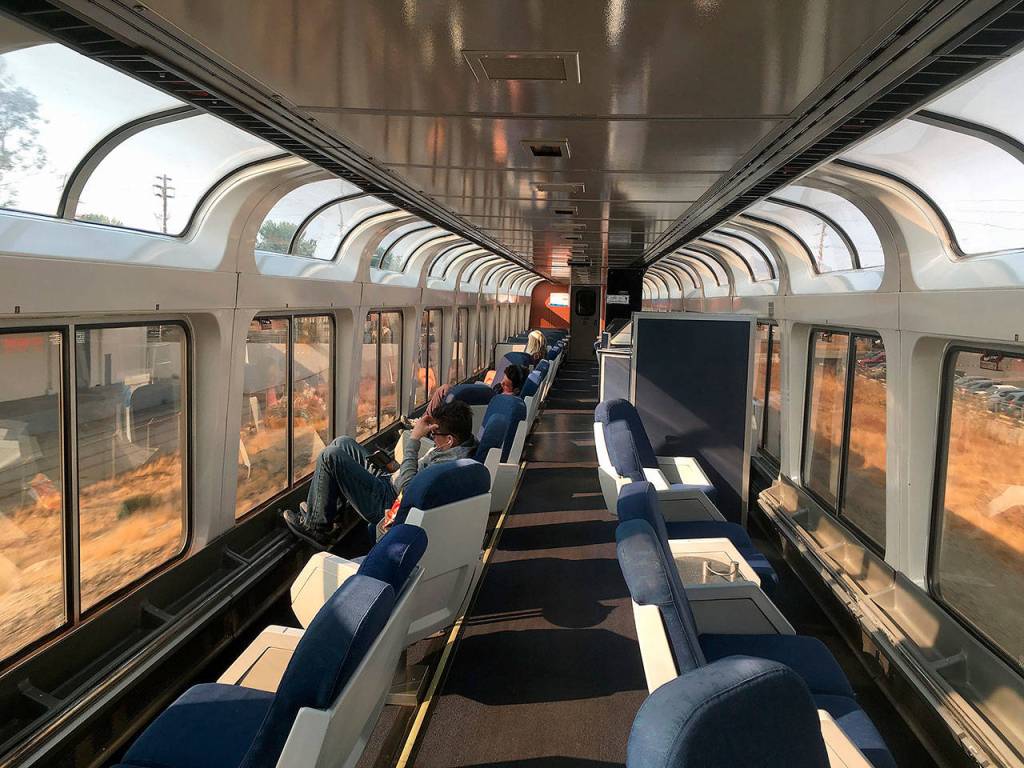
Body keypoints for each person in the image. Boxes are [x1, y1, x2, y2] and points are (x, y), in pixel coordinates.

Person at [284, 399, 478, 546]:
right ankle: (328, 514)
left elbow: (406, 489)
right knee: (342, 443)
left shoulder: (446, 463)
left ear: (450, 439)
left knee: (330, 456)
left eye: (435, 434)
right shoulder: (462, 443)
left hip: (388, 501)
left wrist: (414, 439)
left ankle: (315, 528)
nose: (432, 437)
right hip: (391, 481)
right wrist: (395, 467)